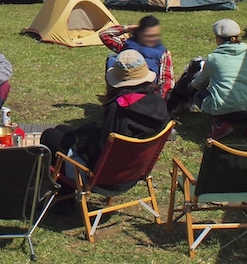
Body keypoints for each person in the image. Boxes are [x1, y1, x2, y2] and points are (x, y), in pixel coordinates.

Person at [40, 50, 170, 190]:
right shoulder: (157, 101)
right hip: (133, 172)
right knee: (61, 130)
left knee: (49, 136)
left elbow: (101, 150)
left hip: (105, 179)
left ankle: (65, 198)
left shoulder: (119, 108)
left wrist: (83, 138)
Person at [190, 19, 247, 140]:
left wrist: (191, 84)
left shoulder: (214, 58)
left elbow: (199, 83)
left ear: (218, 39)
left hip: (229, 111)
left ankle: (220, 124)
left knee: (199, 95)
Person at [99, 17, 174, 100]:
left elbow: (104, 35)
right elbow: (166, 79)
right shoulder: (163, 52)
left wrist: (127, 28)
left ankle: (113, 94)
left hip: (124, 82)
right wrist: (161, 100)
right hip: (145, 89)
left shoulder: (126, 43)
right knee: (112, 57)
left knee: (112, 58)